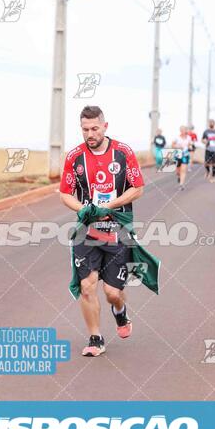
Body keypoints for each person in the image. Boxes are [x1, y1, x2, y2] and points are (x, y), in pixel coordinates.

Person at [59, 106, 144, 357]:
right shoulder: (75, 157)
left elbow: (137, 188)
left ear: (105, 127)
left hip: (118, 229)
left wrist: (107, 206)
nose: (90, 134)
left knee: (112, 293)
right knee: (87, 286)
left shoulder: (123, 152)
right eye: (85, 129)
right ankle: (95, 338)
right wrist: (84, 208)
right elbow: (65, 193)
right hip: (87, 230)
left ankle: (120, 313)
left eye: (94, 128)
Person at [172, 126, 192, 190]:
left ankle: (181, 184)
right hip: (177, 154)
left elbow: (189, 144)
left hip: (185, 154)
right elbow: (172, 145)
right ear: (180, 131)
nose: (184, 131)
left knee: (183, 170)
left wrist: (190, 147)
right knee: (178, 170)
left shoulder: (189, 137)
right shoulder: (177, 138)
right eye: (183, 130)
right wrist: (178, 146)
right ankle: (178, 176)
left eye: (185, 130)